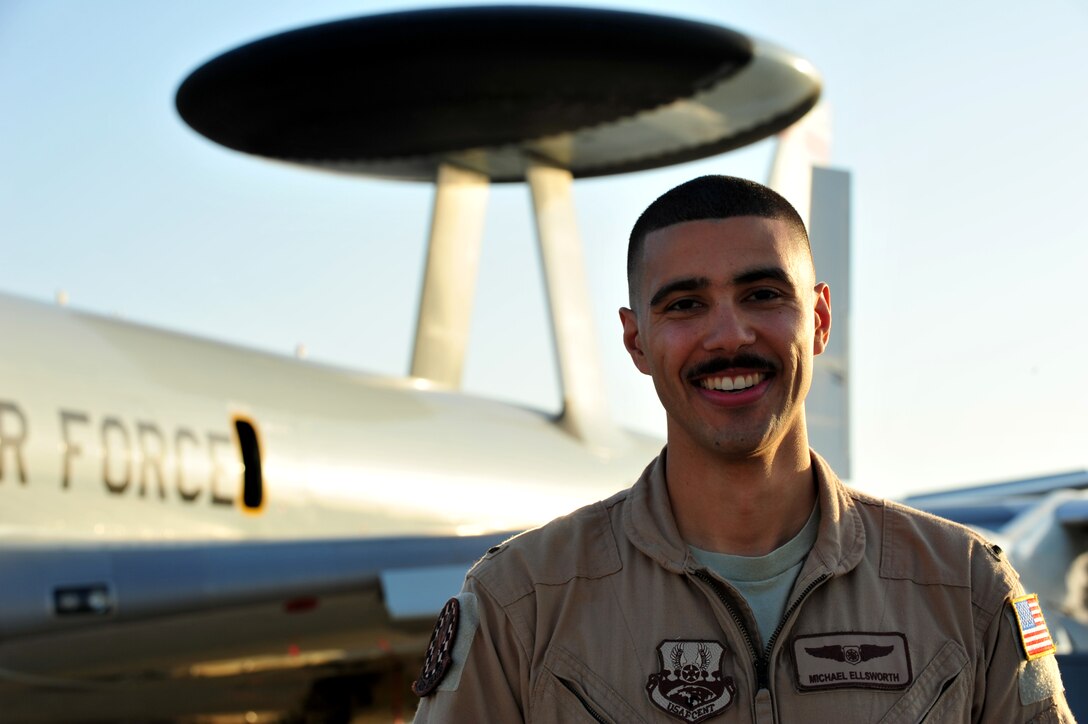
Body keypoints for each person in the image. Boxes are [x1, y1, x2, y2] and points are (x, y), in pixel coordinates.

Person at [411, 175, 1073, 722]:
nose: (729, 336)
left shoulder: (965, 589)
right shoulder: (524, 604)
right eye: (685, 305)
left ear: (817, 319)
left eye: (762, 295)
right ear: (636, 341)